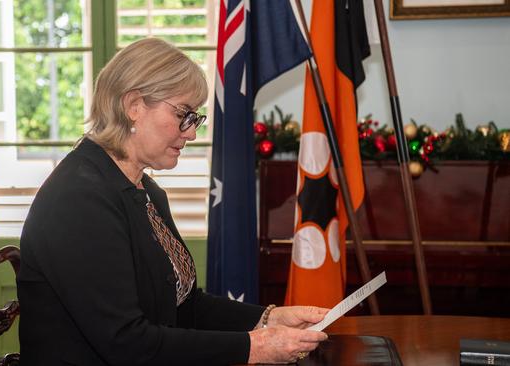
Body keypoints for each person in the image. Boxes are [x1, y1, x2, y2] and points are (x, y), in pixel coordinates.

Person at [17, 37, 329, 366]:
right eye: (183, 114)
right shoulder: (79, 199)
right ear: (133, 106)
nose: (191, 132)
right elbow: (126, 343)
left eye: (194, 118)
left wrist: (269, 319)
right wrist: (255, 347)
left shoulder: (143, 189)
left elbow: (184, 306)